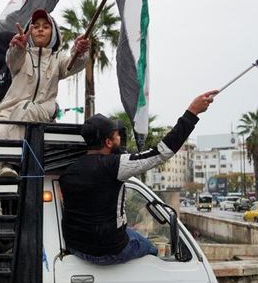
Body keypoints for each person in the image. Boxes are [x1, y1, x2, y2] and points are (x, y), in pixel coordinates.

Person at [60, 91, 217, 265]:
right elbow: (161, 153)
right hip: (108, 250)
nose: (120, 137)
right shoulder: (114, 165)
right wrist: (192, 113)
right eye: (116, 135)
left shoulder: (69, 169)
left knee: (130, 233)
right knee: (152, 249)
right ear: (108, 142)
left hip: (77, 247)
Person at [0, 10, 90, 217]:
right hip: (9, 111)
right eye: (35, 26)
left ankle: (10, 164)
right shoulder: (22, 53)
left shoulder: (57, 59)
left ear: (53, 33)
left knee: (26, 109)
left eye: (45, 26)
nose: (40, 30)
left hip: (40, 113)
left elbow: (73, 65)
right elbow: (13, 60)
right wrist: (17, 46)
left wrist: (80, 51)